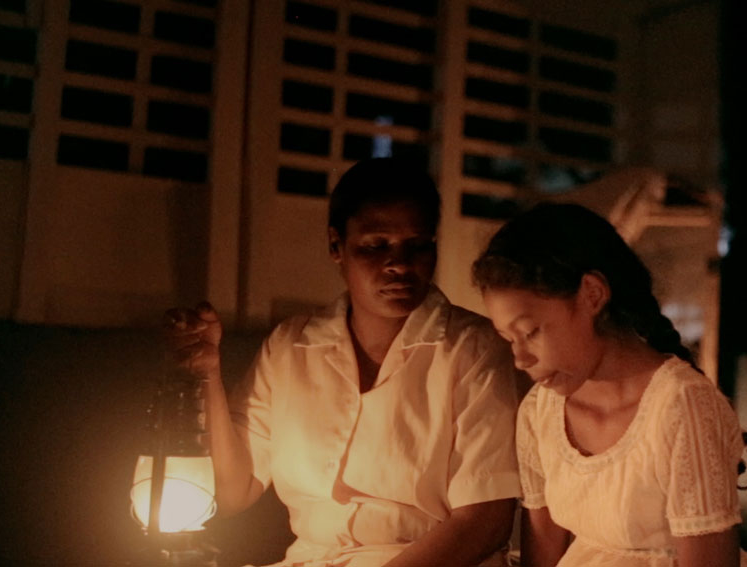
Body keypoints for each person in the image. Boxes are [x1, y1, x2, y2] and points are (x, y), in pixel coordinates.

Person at [165, 158, 522, 567]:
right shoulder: (290, 348)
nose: (400, 264)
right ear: (336, 246)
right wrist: (207, 376)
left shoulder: (472, 349)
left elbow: (485, 520)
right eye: (376, 246)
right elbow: (231, 493)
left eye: (417, 245)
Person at [471, 203, 747, 567]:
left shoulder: (681, 405)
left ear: (592, 294)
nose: (520, 359)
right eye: (508, 339)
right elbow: (542, 554)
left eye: (530, 332)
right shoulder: (539, 411)